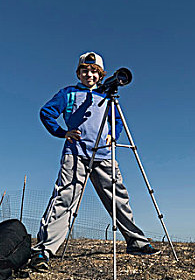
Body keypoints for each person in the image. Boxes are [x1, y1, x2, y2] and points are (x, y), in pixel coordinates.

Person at [30, 52, 160, 271]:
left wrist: (114, 135)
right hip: (76, 153)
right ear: (78, 73)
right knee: (64, 199)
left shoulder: (108, 97)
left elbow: (116, 120)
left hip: (104, 155)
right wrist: (62, 132)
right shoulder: (68, 93)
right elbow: (47, 112)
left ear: (101, 75)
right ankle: (44, 250)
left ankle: (136, 242)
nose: (89, 74)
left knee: (118, 199)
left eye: (94, 71)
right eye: (84, 70)